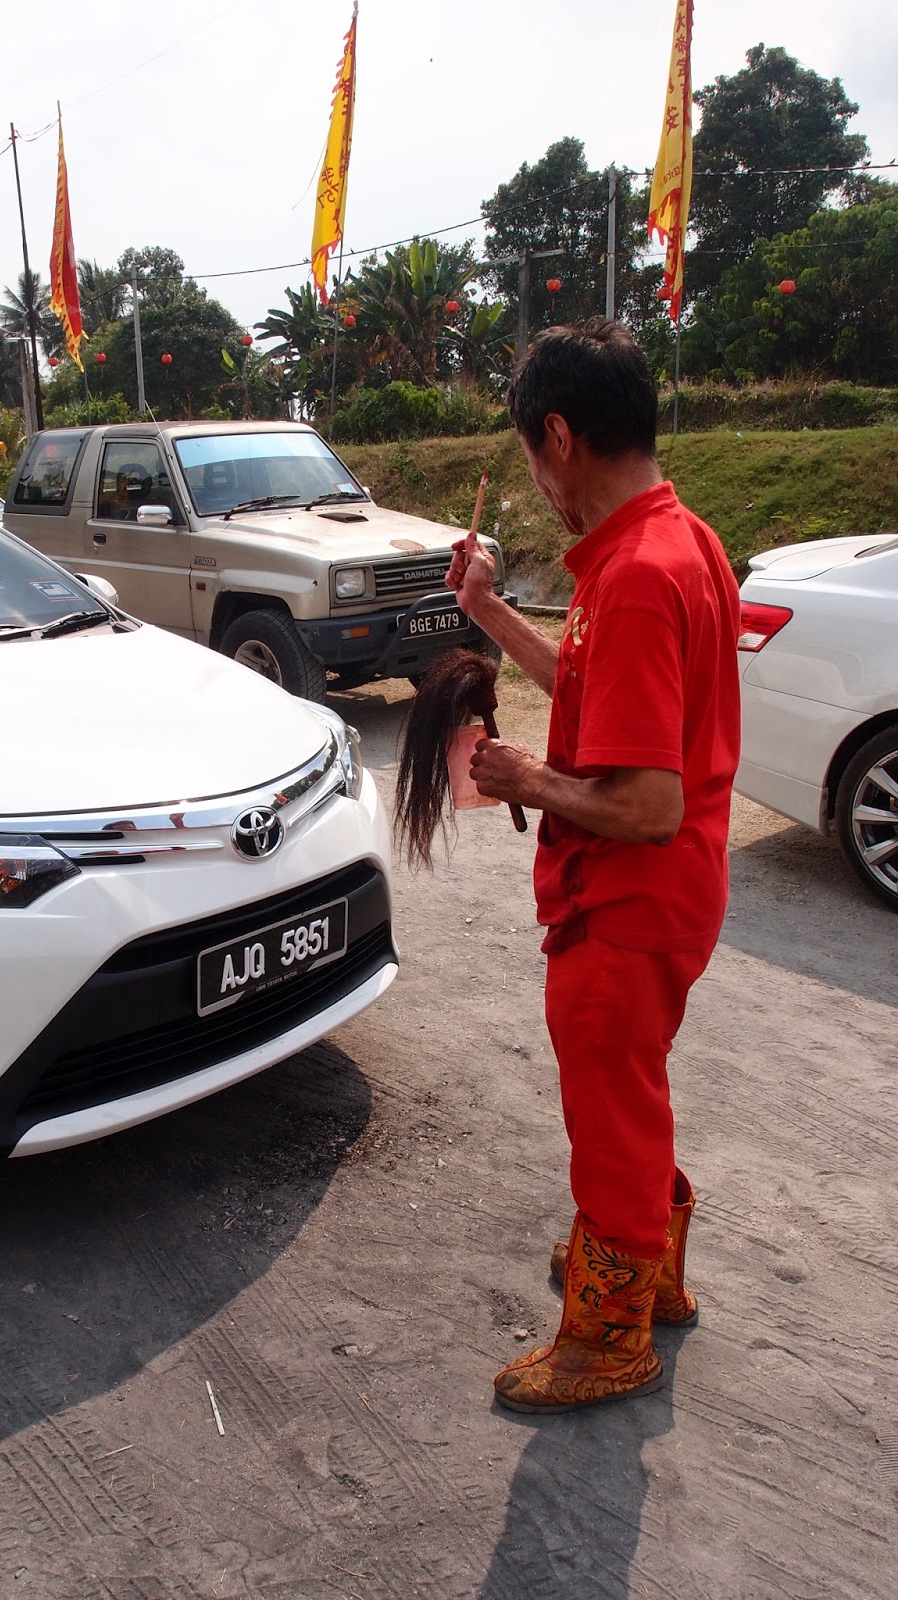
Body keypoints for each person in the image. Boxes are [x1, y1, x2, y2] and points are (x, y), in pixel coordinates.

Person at [446, 319, 741, 1414]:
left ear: (559, 435)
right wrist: (487, 611)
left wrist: (529, 782)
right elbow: (591, 693)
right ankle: (648, 1272)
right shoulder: (680, 542)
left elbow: (645, 804)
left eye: (531, 451)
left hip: (626, 901)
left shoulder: (633, 577)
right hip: (671, 897)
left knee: (610, 1117)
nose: (536, 476)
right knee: (634, 1090)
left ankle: (607, 1335)